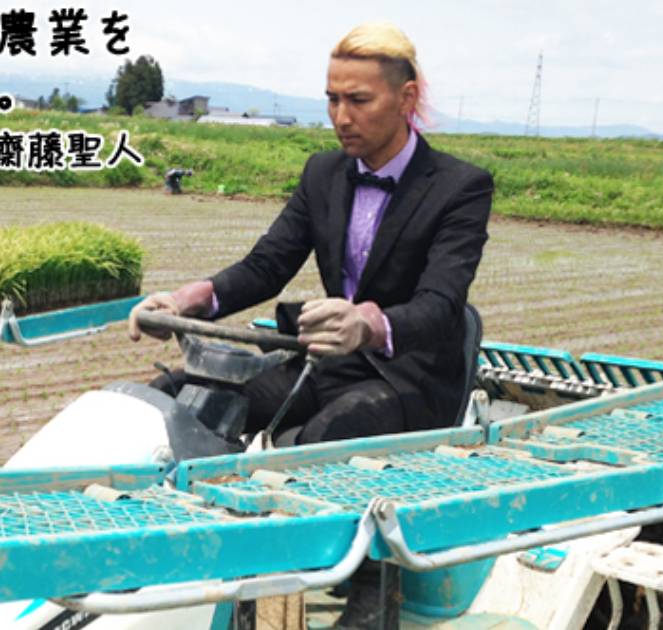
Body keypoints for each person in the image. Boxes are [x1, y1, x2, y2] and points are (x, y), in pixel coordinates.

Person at [130, 22, 493, 625]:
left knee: (329, 441)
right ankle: (181, 563)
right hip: (327, 361)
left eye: (358, 100)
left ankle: (373, 584)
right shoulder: (323, 173)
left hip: (410, 377)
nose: (340, 116)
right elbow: (268, 263)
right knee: (187, 400)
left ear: (405, 101)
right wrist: (196, 297)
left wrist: (371, 323)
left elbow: (441, 302)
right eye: (332, 99)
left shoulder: (459, 187)